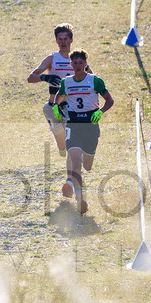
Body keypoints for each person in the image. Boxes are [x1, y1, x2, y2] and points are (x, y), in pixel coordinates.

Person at [53, 49, 114, 215]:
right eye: (75, 63)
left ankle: (81, 161)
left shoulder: (95, 81)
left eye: (81, 63)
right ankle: (80, 199)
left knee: (87, 166)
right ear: (71, 64)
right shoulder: (67, 82)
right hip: (73, 124)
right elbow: (59, 97)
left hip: (90, 125)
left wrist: (100, 111)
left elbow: (110, 100)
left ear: (85, 64)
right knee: (74, 160)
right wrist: (57, 108)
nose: (78, 66)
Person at [27, 23, 86, 156]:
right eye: (60, 39)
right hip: (53, 106)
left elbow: (92, 79)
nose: (63, 42)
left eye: (66, 39)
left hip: (71, 107)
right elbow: (31, 77)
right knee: (61, 141)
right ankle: (64, 150)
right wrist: (45, 78)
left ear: (71, 39)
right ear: (56, 41)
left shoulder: (77, 59)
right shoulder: (52, 58)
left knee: (72, 143)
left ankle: (75, 169)